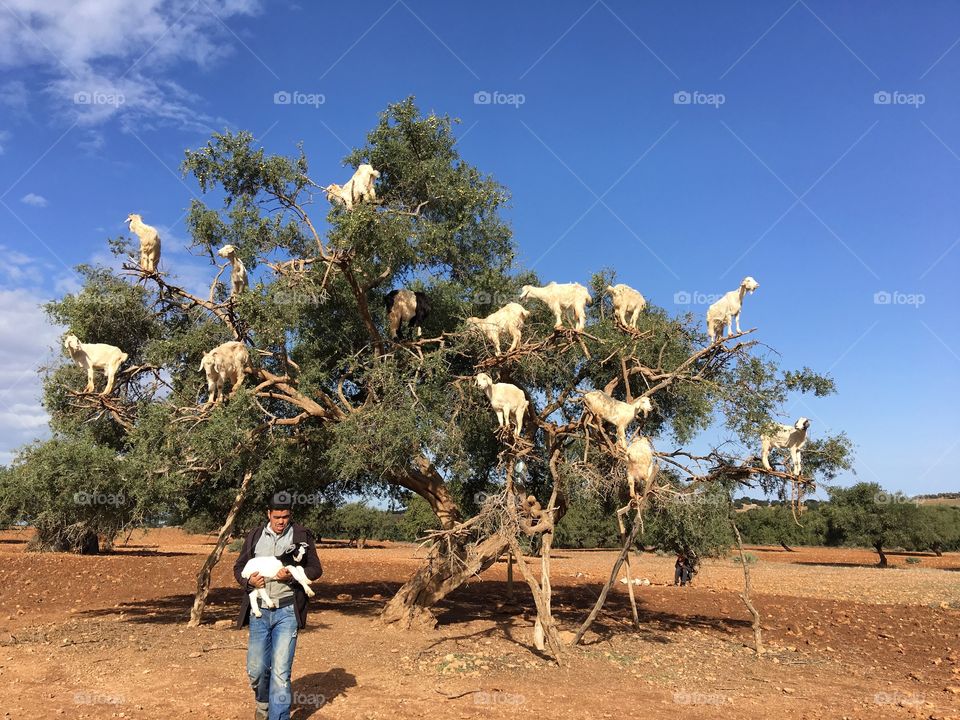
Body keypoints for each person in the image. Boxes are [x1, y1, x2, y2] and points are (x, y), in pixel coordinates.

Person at [234, 493, 323, 720]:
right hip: (260, 612)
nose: (281, 521)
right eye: (277, 517)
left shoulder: (301, 536)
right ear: (268, 514)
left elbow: (315, 570)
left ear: (290, 515)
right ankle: (263, 704)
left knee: (281, 673)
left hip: (287, 612)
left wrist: (291, 578)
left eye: (285, 517)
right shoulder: (254, 536)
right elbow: (239, 568)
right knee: (256, 670)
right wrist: (249, 582)